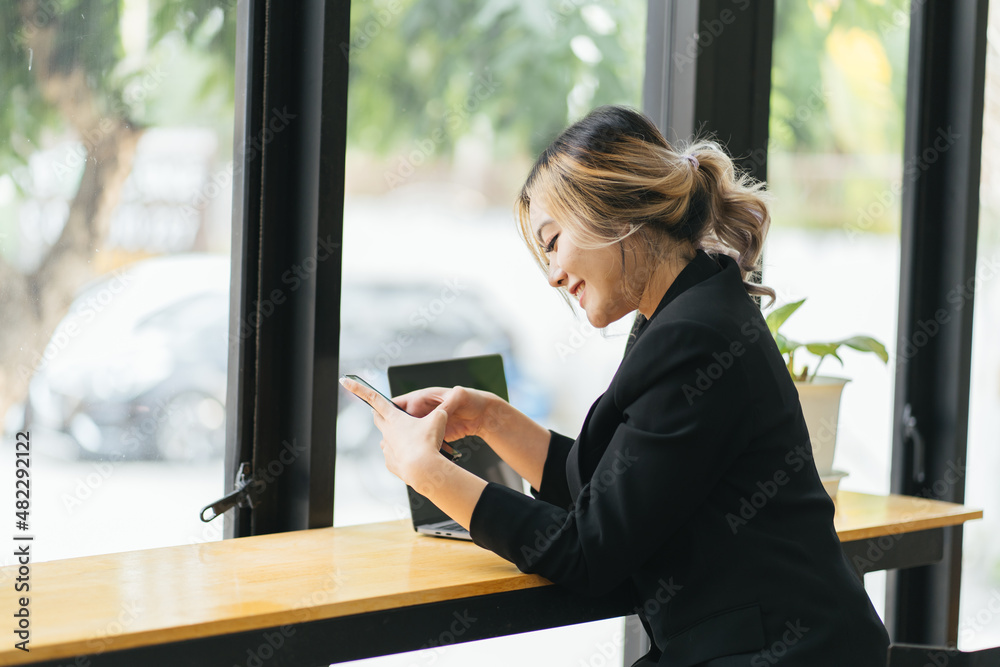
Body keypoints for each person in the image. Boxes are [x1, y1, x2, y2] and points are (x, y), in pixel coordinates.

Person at [340, 105, 891, 666]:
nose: (552, 274)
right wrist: (491, 419)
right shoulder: (687, 313)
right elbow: (607, 496)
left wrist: (426, 471)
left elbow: (587, 552)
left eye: (553, 241)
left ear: (617, 209)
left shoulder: (693, 335)